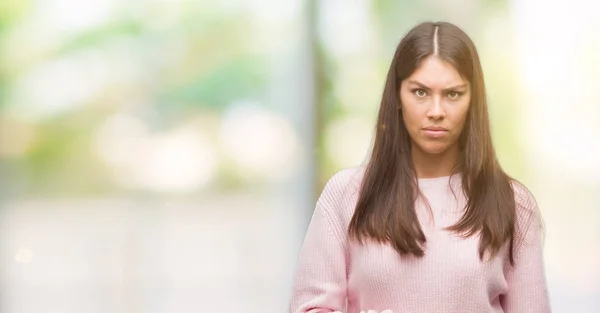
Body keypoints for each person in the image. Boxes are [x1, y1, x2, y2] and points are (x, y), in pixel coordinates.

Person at [289, 21, 551, 313]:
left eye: (452, 94)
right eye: (420, 92)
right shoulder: (345, 195)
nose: (436, 112)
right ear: (398, 96)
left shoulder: (513, 204)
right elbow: (309, 307)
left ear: (472, 100)